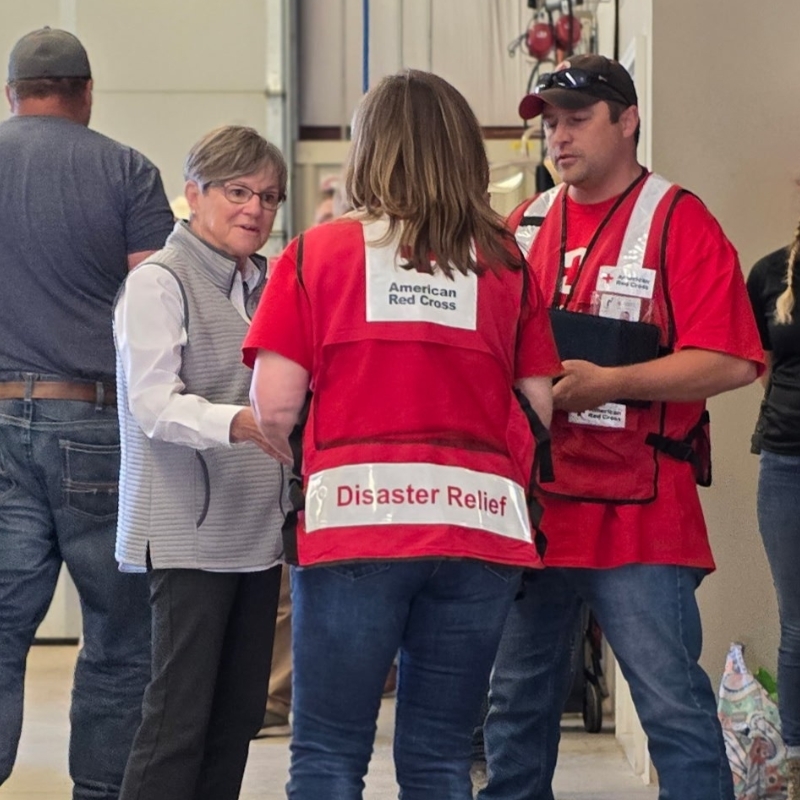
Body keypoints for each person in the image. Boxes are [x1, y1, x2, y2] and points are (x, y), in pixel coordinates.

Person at [244, 68, 561, 799]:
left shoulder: (317, 255)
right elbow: (539, 405)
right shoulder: (506, 264)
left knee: (328, 751)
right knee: (441, 756)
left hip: (357, 519)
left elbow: (276, 405)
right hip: (479, 529)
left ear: (368, 150)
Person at [479, 54, 764, 800]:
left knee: (672, 706)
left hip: (639, 511)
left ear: (627, 120)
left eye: (576, 120)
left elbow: (734, 360)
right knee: (514, 704)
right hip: (537, 508)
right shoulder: (526, 223)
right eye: (549, 124)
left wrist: (612, 384)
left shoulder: (678, 220)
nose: (558, 138)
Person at [0, 27, 173, 798]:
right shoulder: (128, 172)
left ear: (12, 95)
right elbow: (161, 307)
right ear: (86, 92)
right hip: (99, 428)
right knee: (119, 634)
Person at [114, 125, 287, 800]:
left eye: (269, 197)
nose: (255, 210)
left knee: (237, 718)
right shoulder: (159, 283)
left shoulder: (268, 281)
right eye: (238, 192)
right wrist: (240, 422)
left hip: (254, 535)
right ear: (194, 194)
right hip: (188, 534)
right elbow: (153, 403)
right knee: (177, 721)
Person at [746, 226, 800, 800]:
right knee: (799, 626)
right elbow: (753, 367)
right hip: (788, 464)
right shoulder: (769, 272)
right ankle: (797, 771)